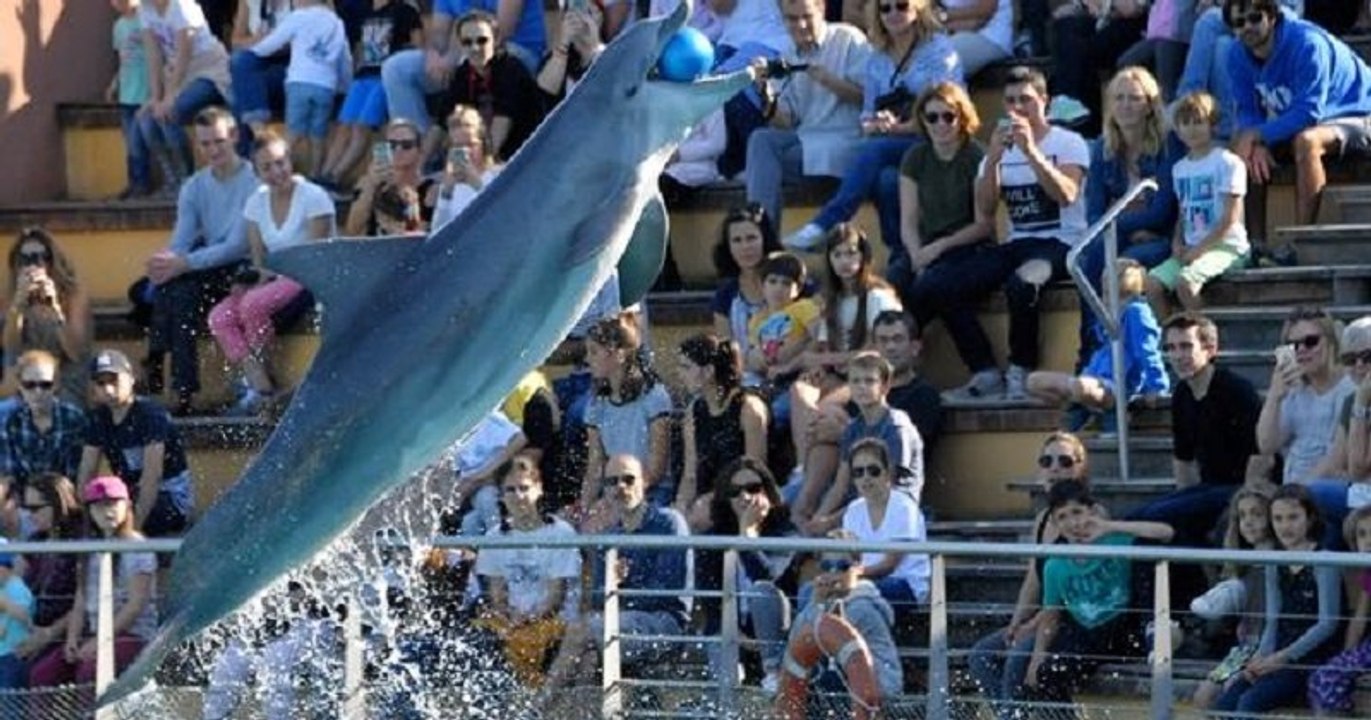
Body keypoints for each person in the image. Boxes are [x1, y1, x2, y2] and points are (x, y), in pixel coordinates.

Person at [951, 65, 1091, 400]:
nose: (1017, 108)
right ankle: (984, 371)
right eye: (1011, 100)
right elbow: (984, 210)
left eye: (1026, 100)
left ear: (1045, 101)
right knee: (942, 285)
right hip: (1017, 244)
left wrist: (1031, 152)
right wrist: (995, 161)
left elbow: (1067, 194)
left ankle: (1021, 369)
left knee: (1022, 284)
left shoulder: (1068, 142)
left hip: (1063, 244)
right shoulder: (996, 148)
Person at [782, 0, 963, 255]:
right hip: (895, 147)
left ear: (918, 8)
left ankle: (827, 222)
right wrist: (875, 123)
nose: (893, 14)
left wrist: (899, 128)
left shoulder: (937, 49)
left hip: (936, 140)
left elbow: (948, 111)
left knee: (877, 150)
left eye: (901, 6)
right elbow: (867, 115)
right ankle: (900, 254)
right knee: (886, 179)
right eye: (885, 8)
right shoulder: (878, 58)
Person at [540, 454, 689, 715]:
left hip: (664, 623)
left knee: (581, 631)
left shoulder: (668, 522)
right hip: (621, 621)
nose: (620, 486)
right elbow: (599, 598)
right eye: (612, 482)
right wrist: (612, 585)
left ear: (644, 482)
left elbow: (670, 593)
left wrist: (621, 590)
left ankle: (536, 709)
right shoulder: (608, 537)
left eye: (628, 479)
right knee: (587, 659)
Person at [1225, 0, 1371, 253]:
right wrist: (1256, 141)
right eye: (1239, 22)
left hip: (1358, 113)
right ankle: (1254, 246)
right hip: (1313, 120)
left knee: (1307, 141)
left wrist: (1259, 134)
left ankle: (1302, 243)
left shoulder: (1307, 43)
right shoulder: (1236, 54)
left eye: (1254, 18)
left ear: (1272, 16)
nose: (1247, 27)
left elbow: (1308, 112)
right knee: (1245, 148)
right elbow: (1248, 111)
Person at [208, 131, 334, 415]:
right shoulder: (256, 202)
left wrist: (259, 291)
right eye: (267, 167)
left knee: (254, 304)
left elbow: (316, 256)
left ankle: (258, 391)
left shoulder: (314, 197)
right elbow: (260, 261)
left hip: (309, 279)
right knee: (220, 316)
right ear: (257, 171)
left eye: (281, 162)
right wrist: (247, 286)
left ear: (290, 160)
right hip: (276, 280)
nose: (277, 171)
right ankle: (260, 382)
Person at [142, 107, 257, 415]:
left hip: (242, 267)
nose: (213, 150)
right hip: (205, 264)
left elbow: (237, 245)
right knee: (170, 287)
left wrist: (183, 263)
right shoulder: (193, 186)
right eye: (205, 144)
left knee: (176, 288)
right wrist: (165, 262)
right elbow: (180, 241)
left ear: (233, 137)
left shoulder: (253, 181)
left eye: (219, 141)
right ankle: (181, 389)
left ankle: (158, 366)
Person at [1020, 480, 1174, 709]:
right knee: (1043, 675)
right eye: (1062, 517)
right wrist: (1038, 654)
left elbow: (1166, 533)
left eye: (1077, 512)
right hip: (1089, 635)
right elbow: (1051, 613)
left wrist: (1109, 526)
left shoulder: (1116, 541)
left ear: (1091, 511)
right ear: (1054, 522)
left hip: (1124, 630)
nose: (1072, 522)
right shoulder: (1054, 564)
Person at [968, 432, 1090, 720]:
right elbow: (1033, 580)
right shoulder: (1043, 519)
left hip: (1075, 620)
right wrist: (1015, 623)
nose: (1055, 467)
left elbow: (1071, 594)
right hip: (1045, 619)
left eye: (1065, 461)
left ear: (1081, 467)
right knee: (982, 655)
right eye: (1047, 461)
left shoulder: (1086, 518)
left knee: (1017, 659)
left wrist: (1032, 626)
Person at [1075, 66, 1177, 367]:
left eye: (1134, 98)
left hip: (1162, 240)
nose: (1125, 105)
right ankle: (1096, 347)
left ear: (1149, 105)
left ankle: (1124, 356)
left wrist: (1116, 219)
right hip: (1118, 240)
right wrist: (1127, 223)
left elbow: (1161, 213)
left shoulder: (1167, 146)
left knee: (1118, 267)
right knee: (1090, 259)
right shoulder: (1102, 150)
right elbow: (1093, 214)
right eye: (1118, 98)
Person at [788, 225, 902, 487]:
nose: (845, 262)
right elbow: (825, 347)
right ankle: (802, 465)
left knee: (826, 408)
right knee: (799, 391)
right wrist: (820, 364)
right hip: (839, 376)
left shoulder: (877, 296)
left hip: (866, 377)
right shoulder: (832, 298)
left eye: (851, 254)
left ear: (863, 257)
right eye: (837, 255)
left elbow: (876, 352)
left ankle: (835, 469)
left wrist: (823, 361)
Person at [1213, 484, 1343, 715]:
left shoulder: (1323, 560)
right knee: (1224, 704)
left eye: (1293, 517)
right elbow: (1273, 619)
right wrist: (1259, 659)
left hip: (1308, 657)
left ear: (1310, 518)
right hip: (1277, 654)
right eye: (1278, 519)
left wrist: (1281, 658)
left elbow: (1327, 624)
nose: (1285, 526)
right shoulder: (1275, 561)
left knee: (1249, 704)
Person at [1133, 313, 1261, 546]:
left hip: (1240, 489)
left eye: (1186, 346)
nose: (1177, 356)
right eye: (1171, 348)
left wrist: (1245, 504)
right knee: (1148, 522)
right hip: (1207, 489)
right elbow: (1184, 460)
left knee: (1151, 516)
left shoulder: (1236, 390)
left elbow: (1261, 455)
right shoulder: (1182, 394)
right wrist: (1186, 503)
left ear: (1210, 349)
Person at [743, 0, 869, 230]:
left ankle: (761, 235)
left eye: (806, 16)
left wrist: (828, 80)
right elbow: (784, 122)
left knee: (766, 150)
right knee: (761, 139)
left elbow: (871, 98)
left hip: (847, 146)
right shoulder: (787, 55)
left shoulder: (849, 38)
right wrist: (765, 94)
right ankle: (762, 236)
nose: (800, 25)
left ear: (822, 9)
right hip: (807, 145)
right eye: (791, 19)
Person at [29, 476, 158, 698]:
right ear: (89, 511)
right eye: (99, 505)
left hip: (132, 635)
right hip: (94, 633)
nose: (107, 510)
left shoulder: (138, 547)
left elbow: (136, 605)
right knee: (42, 675)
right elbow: (81, 600)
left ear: (126, 506)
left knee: (90, 672)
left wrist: (100, 642)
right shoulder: (89, 549)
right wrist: (72, 639)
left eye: (113, 503)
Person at [473, 456, 581, 687]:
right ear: (501, 496)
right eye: (510, 490)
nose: (518, 496)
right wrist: (508, 614)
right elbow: (496, 591)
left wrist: (528, 617)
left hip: (551, 621)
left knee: (527, 641)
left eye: (524, 488)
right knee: (478, 637)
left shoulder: (561, 533)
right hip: (512, 619)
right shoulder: (494, 537)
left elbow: (556, 596)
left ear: (539, 489)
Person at [1026, 259, 1169, 431]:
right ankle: (1083, 409)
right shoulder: (1106, 313)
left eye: (1109, 285)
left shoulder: (1136, 311)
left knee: (1079, 387)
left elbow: (1148, 351)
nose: (1104, 291)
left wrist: (1157, 386)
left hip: (1119, 384)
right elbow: (1100, 352)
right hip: (1094, 377)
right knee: (1033, 381)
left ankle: (1103, 411)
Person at [695, 458, 798, 693]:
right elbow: (710, 600)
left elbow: (767, 575)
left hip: (775, 637)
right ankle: (720, 701)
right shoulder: (711, 540)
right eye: (734, 491)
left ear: (768, 492)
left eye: (752, 488)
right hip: (730, 633)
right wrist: (735, 634)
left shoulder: (785, 533)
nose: (744, 496)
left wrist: (747, 534)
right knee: (717, 637)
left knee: (761, 592)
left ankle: (773, 679)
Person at [1145, 91, 1249, 320]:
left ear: (1212, 125)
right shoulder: (1179, 169)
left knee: (1186, 282)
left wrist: (1199, 250)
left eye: (1199, 122)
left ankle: (1203, 340)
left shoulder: (1228, 162)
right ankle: (1170, 342)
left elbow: (1230, 218)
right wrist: (1177, 242)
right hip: (1191, 247)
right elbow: (1184, 212)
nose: (1192, 129)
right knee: (1152, 284)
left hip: (1227, 247)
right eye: (1185, 123)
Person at [797, 352, 923, 535]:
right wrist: (818, 520)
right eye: (855, 381)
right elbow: (840, 486)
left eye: (869, 381)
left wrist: (830, 522)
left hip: (896, 513)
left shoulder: (896, 428)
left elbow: (887, 489)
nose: (861, 387)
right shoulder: (853, 428)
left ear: (885, 386)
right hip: (860, 509)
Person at [895, 81, 993, 307]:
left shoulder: (976, 156)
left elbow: (983, 225)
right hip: (926, 243)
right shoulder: (915, 157)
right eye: (932, 117)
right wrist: (917, 255)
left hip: (968, 247)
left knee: (931, 288)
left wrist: (939, 248)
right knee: (894, 282)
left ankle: (907, 340)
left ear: (962, 117)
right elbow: (908, 221)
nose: (941, 124)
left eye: (948, 116)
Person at [78, 349, 194, 538]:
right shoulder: (98, 418)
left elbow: (152, 476)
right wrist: (84, 516)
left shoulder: (151, 415)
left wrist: (133, 529)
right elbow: (87, 471)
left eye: (114, 380)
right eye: (101, 383)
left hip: (169, 496)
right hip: (127, 497)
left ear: (131, 378)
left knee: (145, 514)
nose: (108, 389)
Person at [784, 528, 904, 701]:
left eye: (842, 566)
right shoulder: (820, 599)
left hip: (878, 688)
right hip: (844, 684)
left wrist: (819, 607)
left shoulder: (862, 607)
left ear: (858, 568)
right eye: (827, 567)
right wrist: (815, 604)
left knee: (827, 675)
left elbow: (827, 639)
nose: (834, 574)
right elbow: (796, 643)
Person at [317, 0, 424, 189]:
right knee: (344, 126)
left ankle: (336, 175)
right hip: (362, 76)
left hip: (384, 76)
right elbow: (360, 47)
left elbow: (418, 44)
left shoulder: (405, 9)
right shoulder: (367, 13)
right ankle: (323, 174)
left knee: (361, 127)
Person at [577, 315, 674, 524]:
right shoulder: (596, 404)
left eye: (594, 351)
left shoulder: (654, 397)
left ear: (618, 354)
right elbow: (595, 466)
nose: (587, 359)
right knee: (586, 526)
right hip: (615, 489)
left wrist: (621, 499)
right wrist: (583, 509)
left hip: (652, 491)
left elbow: (656, 469)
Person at [245, 0, 353, 177]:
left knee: (293, 134)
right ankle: (315, 174)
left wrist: (253, 52)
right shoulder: (336, 22)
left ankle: (279, 169)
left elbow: (273, 43)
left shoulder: (298, 17)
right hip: (326, 86)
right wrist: (345, 86)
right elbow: (345, 59)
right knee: (318, 137)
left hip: (299, 83)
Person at [1190, 486, 1275, 710]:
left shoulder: (1278, 560)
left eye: (1257, 514)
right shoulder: (1243, 563)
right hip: (1243, 648)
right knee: (1202, 696)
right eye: (1242, 516)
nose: (1248, 522)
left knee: (1230, 692)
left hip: (1268, 648)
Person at [672, 333, 768, 528]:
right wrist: (679, 507)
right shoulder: (694, 411)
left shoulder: (748, 408)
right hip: (704, 500)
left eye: (686, 367)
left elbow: (755, 471)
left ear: (708, 371)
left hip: (744, 496)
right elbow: (690, 474)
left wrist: (715, 497)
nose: (679, 374)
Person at [138, 0, 233, 193]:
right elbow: (153, 55)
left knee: (172, 112)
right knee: (146, 119)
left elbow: (184, 52)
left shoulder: (182, 6)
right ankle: (171, 178)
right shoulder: (145, 10)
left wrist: (171, 96)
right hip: (176, 75)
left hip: (208, 69)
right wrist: (156, 97)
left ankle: (186, 180)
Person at [1256, 307, 1356, 486]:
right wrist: (1274, 396)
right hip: (1294, 490)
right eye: (1293, 345)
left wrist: (1297, 492)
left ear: (1331, 343)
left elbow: (1336, 461)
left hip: (1335, 486)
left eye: (1311, 342)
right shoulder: (1292, 390)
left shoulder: (1351, 387)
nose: (1301, 349)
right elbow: (1267, 445)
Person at [427, 10, 542, 163]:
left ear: (496, 39)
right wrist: (419, 166)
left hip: (524, 160)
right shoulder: (464, 72)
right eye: (467, 42)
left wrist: (483, 166)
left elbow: (502, 123)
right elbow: (441, 123)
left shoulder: (512, 70)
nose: (475, 48)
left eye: (482, 40)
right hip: (486, 159)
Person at [4, 228, 93, 405]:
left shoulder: (73, 295)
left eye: (40, 257)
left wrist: (55, 308)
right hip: (26, 378)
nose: (33, 265)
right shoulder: (11, 295)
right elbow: (10, 347)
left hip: (65, 377)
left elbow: (76, 352)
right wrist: (18, 307)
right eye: (25, 259)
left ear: (52, 261)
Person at [838, 437, 929, 609]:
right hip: (865, 581)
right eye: (858, 472)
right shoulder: (853, 510)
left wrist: (854, 575)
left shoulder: (904, 507)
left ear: (887, 472)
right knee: (813, 590)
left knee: (853, 595)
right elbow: (854, 559)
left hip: (904, 585)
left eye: (873, 470)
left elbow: (889, 565)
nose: (866, 478)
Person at [710, 204, 786, 387]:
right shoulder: (725, 296)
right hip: (745, 381)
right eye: (737, 240)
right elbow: (727, 351)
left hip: (788, 374)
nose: (745, 247)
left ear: (764, 239)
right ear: (728, 247)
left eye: (751, 238)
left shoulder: (790, 284)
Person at [1048, 0, 1149, 137]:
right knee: (1065, 26)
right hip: (1104, 21)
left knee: (1080, 51)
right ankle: (1069, 102)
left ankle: (1073, 106)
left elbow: (1131, 9)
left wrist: (1102, 4)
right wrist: (1081, 6)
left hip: (1139, 26)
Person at [13, 474, 83, 672]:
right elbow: (11, 585)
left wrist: (48, 635)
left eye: (35, 508)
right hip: (31, 629)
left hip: (68, 633)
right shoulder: (35, 542)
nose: (29, 515)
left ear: (58, 502)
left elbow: (86, 601)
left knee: (37, 673)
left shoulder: (83, 543)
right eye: (26, 508)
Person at [1, 351, 86, 513]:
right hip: (23, 503)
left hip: (64, 502)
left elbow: (75, 476)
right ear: (20, 385)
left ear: (57, 385)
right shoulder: (9, 421)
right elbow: (9, 476)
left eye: (45, 385)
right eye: (30, 385)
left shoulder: (74, 418)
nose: (38, 392)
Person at [1307, 505, 1371, 716]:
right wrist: (1347, 655)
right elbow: (1359, 618)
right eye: (1362, 534)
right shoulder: (1367, 575)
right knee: (1322, 677)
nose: (1368, 541)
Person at [744, 252, 821, 403]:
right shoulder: (756, 319)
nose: (778, 288)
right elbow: (754, 351)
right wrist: (757, 360)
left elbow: (819, 338)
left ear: (798, 289)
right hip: (769, 377)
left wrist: (795, 356)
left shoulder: (803, 308)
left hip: (798, 374)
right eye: (772, 281)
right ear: (762, 285)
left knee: (781, 408)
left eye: (786, 283)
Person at [345, 118, 437, 236]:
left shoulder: (431, 189)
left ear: (419, 151)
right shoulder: (368, 184)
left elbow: (426, 234)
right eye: (392, 145)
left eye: (407, 145)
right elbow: (353, 230)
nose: (398, 150)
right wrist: (371, 186)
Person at [225, 0, 294, 157]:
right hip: (262, 66)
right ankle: (259, 135)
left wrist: (279, 41)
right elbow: (236, 41)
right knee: (239, 61)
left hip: (294, 66)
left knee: (237, 96)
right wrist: (257, 40)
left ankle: (250, 159)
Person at [431, 105, 503, 231]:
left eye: (471, 145)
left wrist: (477, 184)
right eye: (458, 146)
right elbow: (437, 231)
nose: (466, 151)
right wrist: (446, 193)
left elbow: (502, 217)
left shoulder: (500, 175)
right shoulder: (448, 185)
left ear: (484, 144)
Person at [109, 0, 154, 199]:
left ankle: (142, 183)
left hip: (145, 92)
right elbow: (122, 59)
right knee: (130, 143)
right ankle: (134, 182)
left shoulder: (146, 20)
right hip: (127, 94)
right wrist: (114, 84)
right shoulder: (118, 26)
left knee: (138, 141)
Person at [535, 4, 606, 108]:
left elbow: (609, 87)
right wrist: (564, 42)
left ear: (601, 17)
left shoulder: (612, 53)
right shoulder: (558, 56)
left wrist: (594, 46)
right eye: (574, 13)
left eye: (589, 12)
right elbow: (545, 89)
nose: (582, 18)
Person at [940, 0, 1012, 78]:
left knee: (937, 58)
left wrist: (943, 17)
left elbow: (983, 13)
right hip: (960, 32)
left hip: (991, 38)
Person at [0, 540, 33, 701]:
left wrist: (6, 605)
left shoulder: (17, 588)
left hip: (12, 656)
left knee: (10, 704)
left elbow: (24, 616)